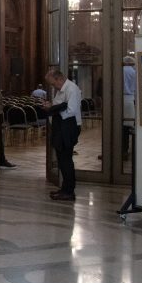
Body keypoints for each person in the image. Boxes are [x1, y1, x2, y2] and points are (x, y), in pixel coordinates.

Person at [44, 68, 82, 201]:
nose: (53, 86)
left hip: (68, 128)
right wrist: (51, 106)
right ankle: (64, 188)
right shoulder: (60, 90)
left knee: (66, 160)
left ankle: (69, 191)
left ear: (59, 78)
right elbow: (58, 105)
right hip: (60, 127)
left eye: (53, 83)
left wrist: (53, 110)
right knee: (61, 160)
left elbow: (70, 110)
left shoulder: (72, 89)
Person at [122, 56, 136, 158]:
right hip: (130, 99)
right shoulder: (134, 72)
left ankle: (117, 150)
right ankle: (125, 150)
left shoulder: (120, 70)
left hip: (119, 99)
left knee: (118, 127)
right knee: (126, 127)